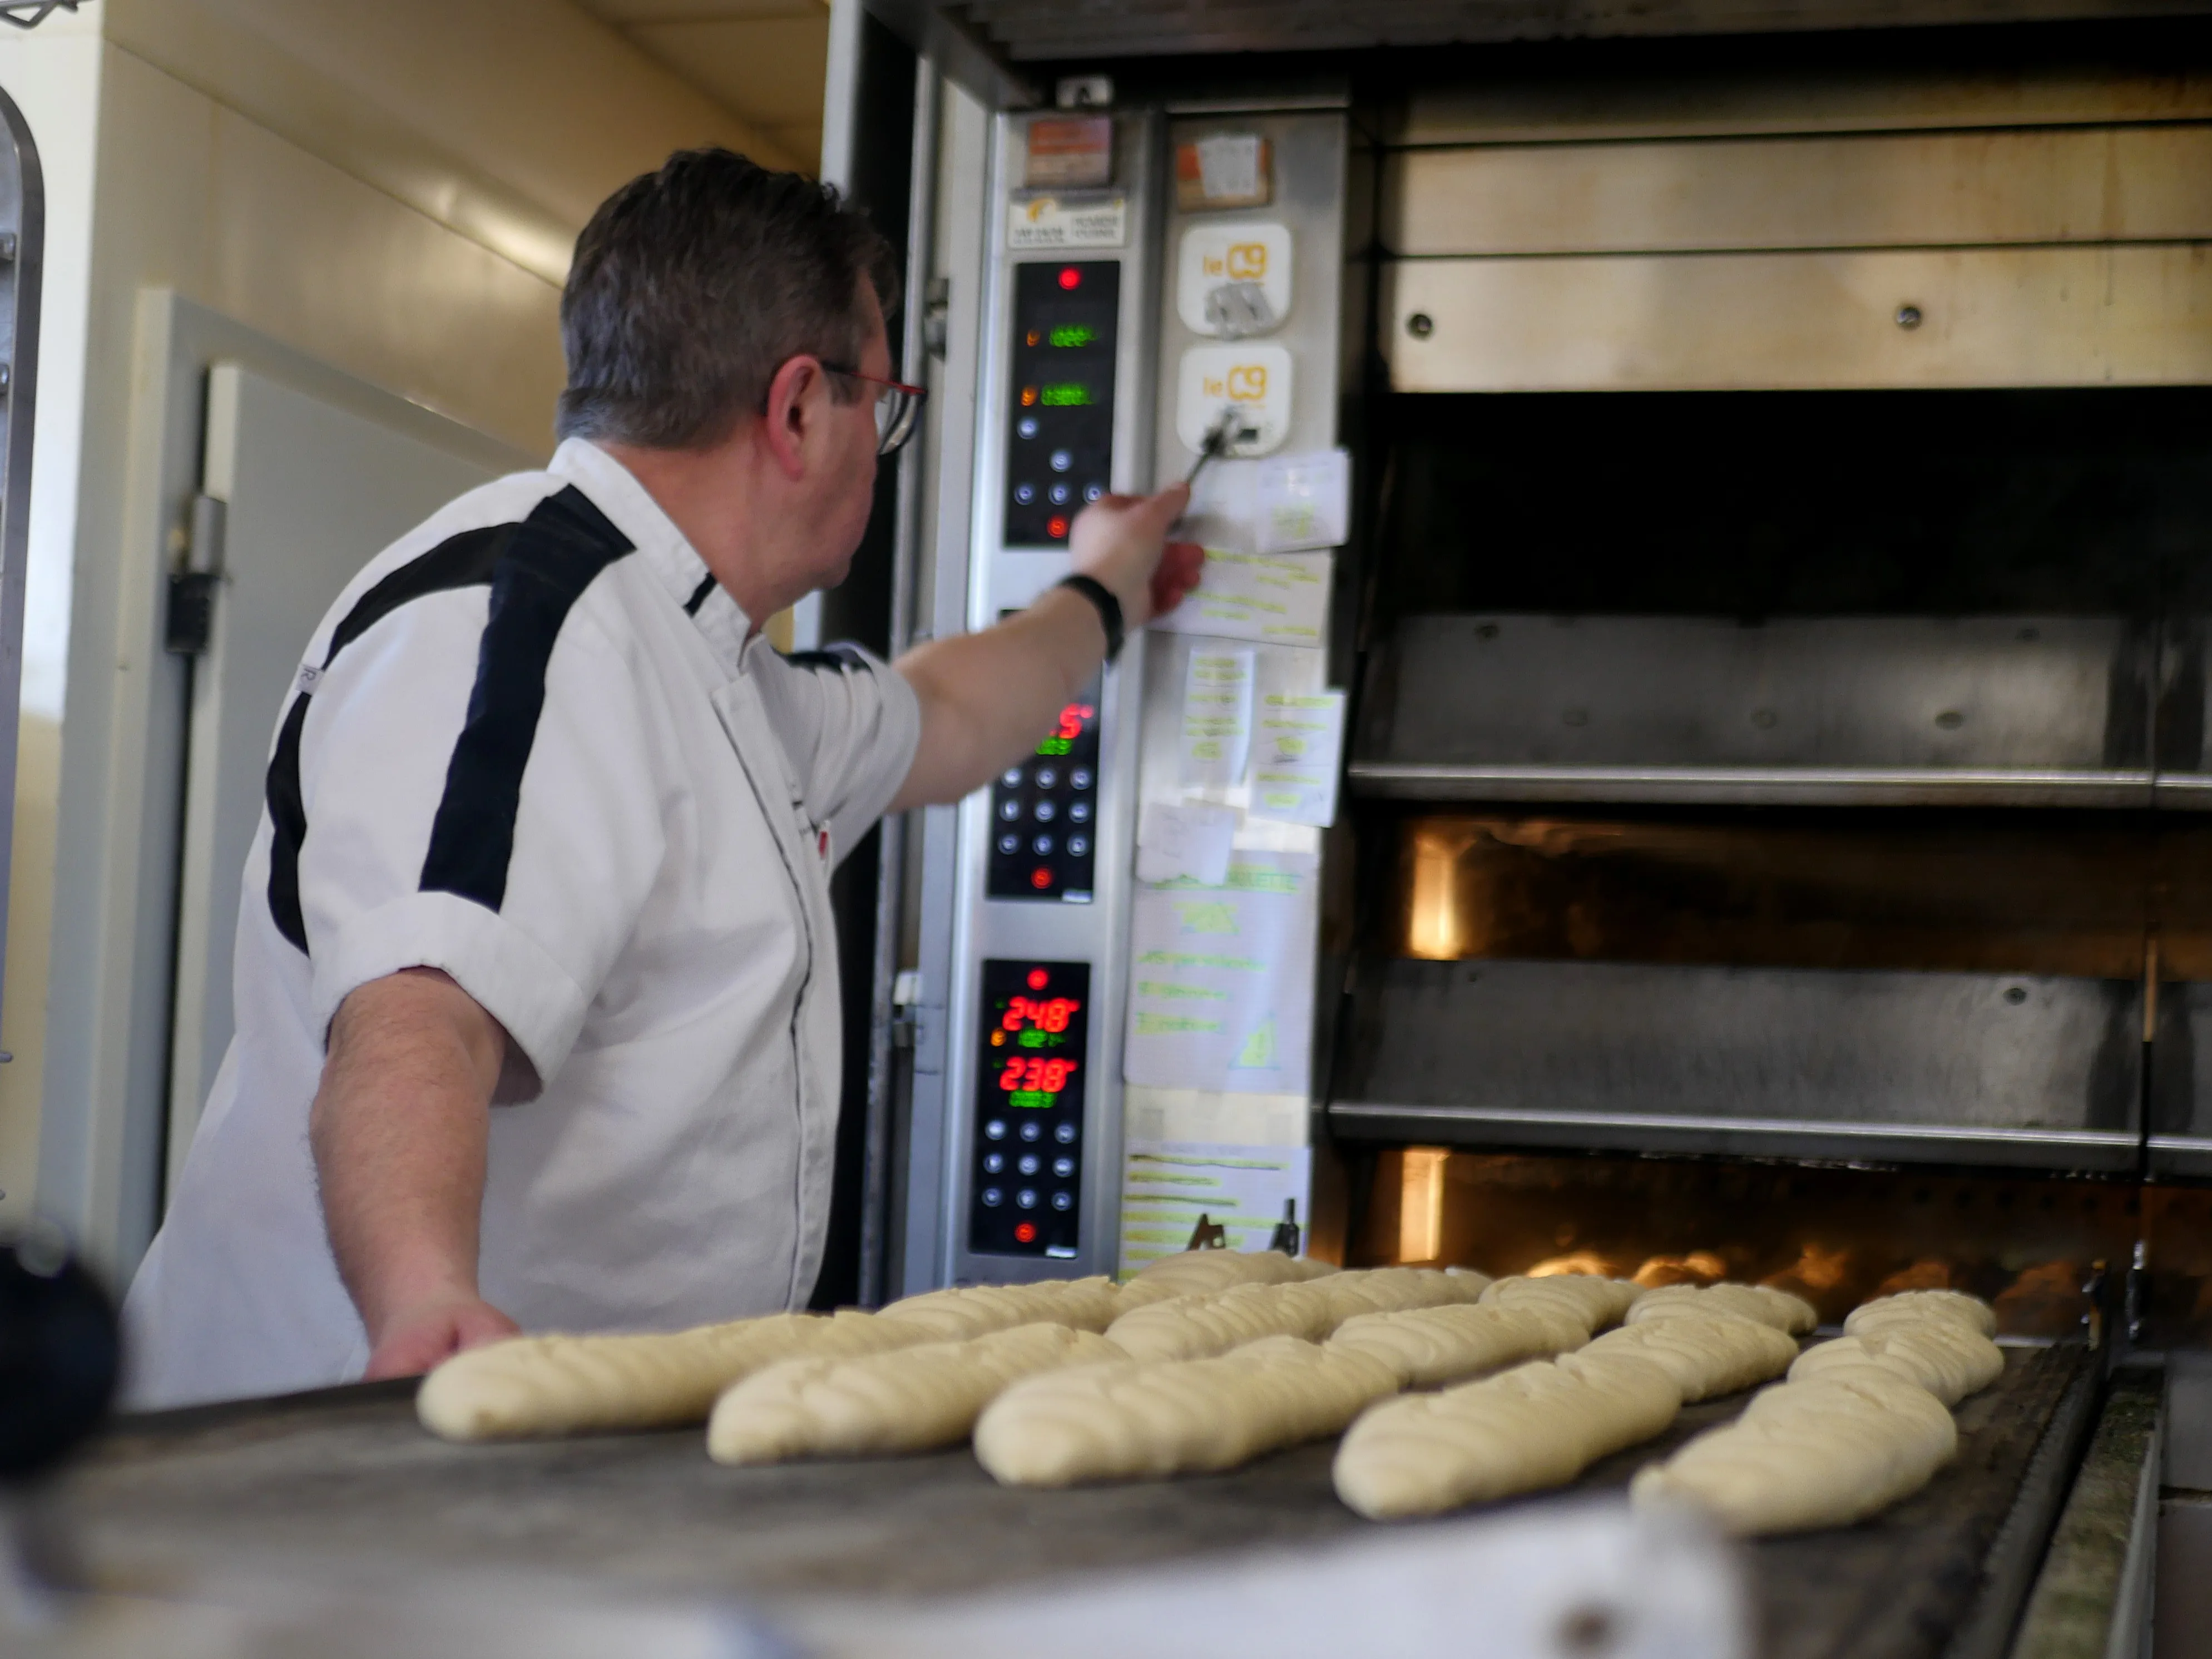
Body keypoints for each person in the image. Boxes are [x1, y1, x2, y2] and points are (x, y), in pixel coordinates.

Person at [121, 148, 1202, 1407]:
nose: (880, 449)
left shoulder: (722, 674)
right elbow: (418, 1016)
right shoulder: (516, 623)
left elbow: (952, 713)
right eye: (883, 408)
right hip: (349, 1455)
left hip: (551, 1448)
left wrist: (1105, 589)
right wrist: (424, 1304)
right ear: (800, 408)